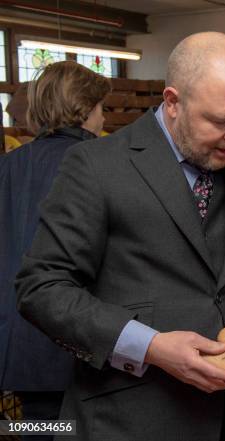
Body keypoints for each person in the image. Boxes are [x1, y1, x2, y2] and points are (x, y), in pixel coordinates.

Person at [15, 32, 225, 441]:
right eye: (220, 121)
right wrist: (149, 346)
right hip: (132, 419)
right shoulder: (96, 166)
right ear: (172, 102)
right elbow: (41, 288)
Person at [0, 61, 110, 440]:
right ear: (86, 109)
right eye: (101, 107)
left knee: (42, 430)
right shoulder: (104, 161)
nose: (103, 117)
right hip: (85, 344)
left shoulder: (9, 166)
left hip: (23, 347)